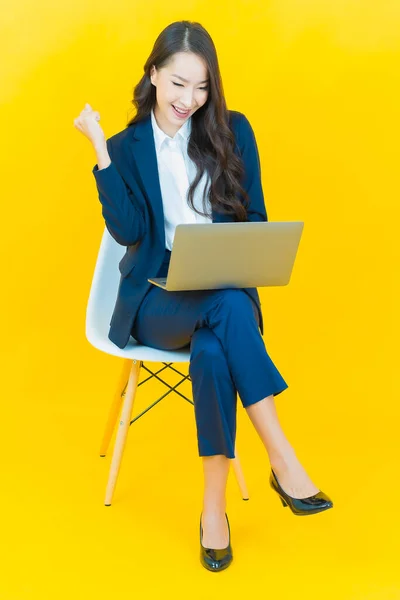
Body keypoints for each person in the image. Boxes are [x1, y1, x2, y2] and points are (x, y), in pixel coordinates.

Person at [74, 20, 333, 572]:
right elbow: (125, 230)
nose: (189, 100)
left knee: (218, 341)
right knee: (229, 307)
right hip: (154, 301)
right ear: (153, 76)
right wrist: (100, 150)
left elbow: (255, 218)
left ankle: (213, 513)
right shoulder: (127, 146)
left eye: (201, 87)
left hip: (220, 295)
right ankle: (282, 460)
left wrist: (226, 255)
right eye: (177, 84)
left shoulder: (233, 131)